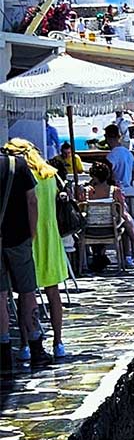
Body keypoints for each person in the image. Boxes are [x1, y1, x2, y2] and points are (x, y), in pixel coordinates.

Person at [3, 140, 67, 359]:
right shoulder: (50, 174)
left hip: (28, 236)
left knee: (23, 294)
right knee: (53, 293)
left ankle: (25, 345)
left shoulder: (19, 173)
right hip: (50, 237)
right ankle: (58, 343)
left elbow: (29, 205)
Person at [0, 150, 49, 367]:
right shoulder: (17, 165)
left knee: (0, 296)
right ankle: (36, 345)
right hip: (19, 238)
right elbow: (32, 201)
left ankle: (4, 354)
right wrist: (32, 233)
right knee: (28, 292)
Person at [105, 124, 134, 229]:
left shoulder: (112, 155)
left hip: (117, 194)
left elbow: (108, 171)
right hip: (129, 191)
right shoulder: (127, 152)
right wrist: (130, 183)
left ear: (107, 137)